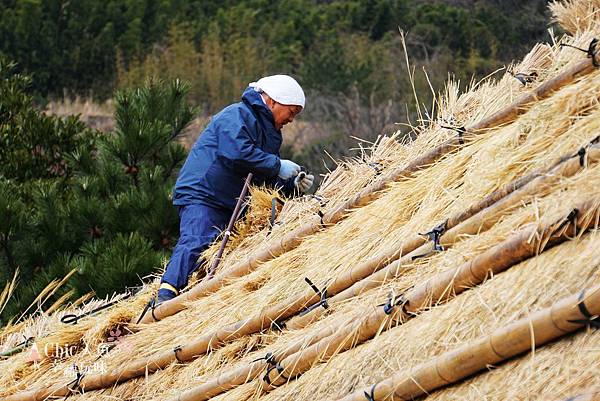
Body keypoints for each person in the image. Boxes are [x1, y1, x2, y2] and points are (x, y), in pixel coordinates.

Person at [156, 75, 314, 303]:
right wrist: (277, 165)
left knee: (216, 254)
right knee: (200, 237)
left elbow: (264, 182)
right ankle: (166, 293)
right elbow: (237, 154)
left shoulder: (270, 135)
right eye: (291, 111)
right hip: (204, 192)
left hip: (230, 202)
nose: (292, 119)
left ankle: (195, 297)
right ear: (272, 102)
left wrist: (291, 186)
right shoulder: (237, 115)